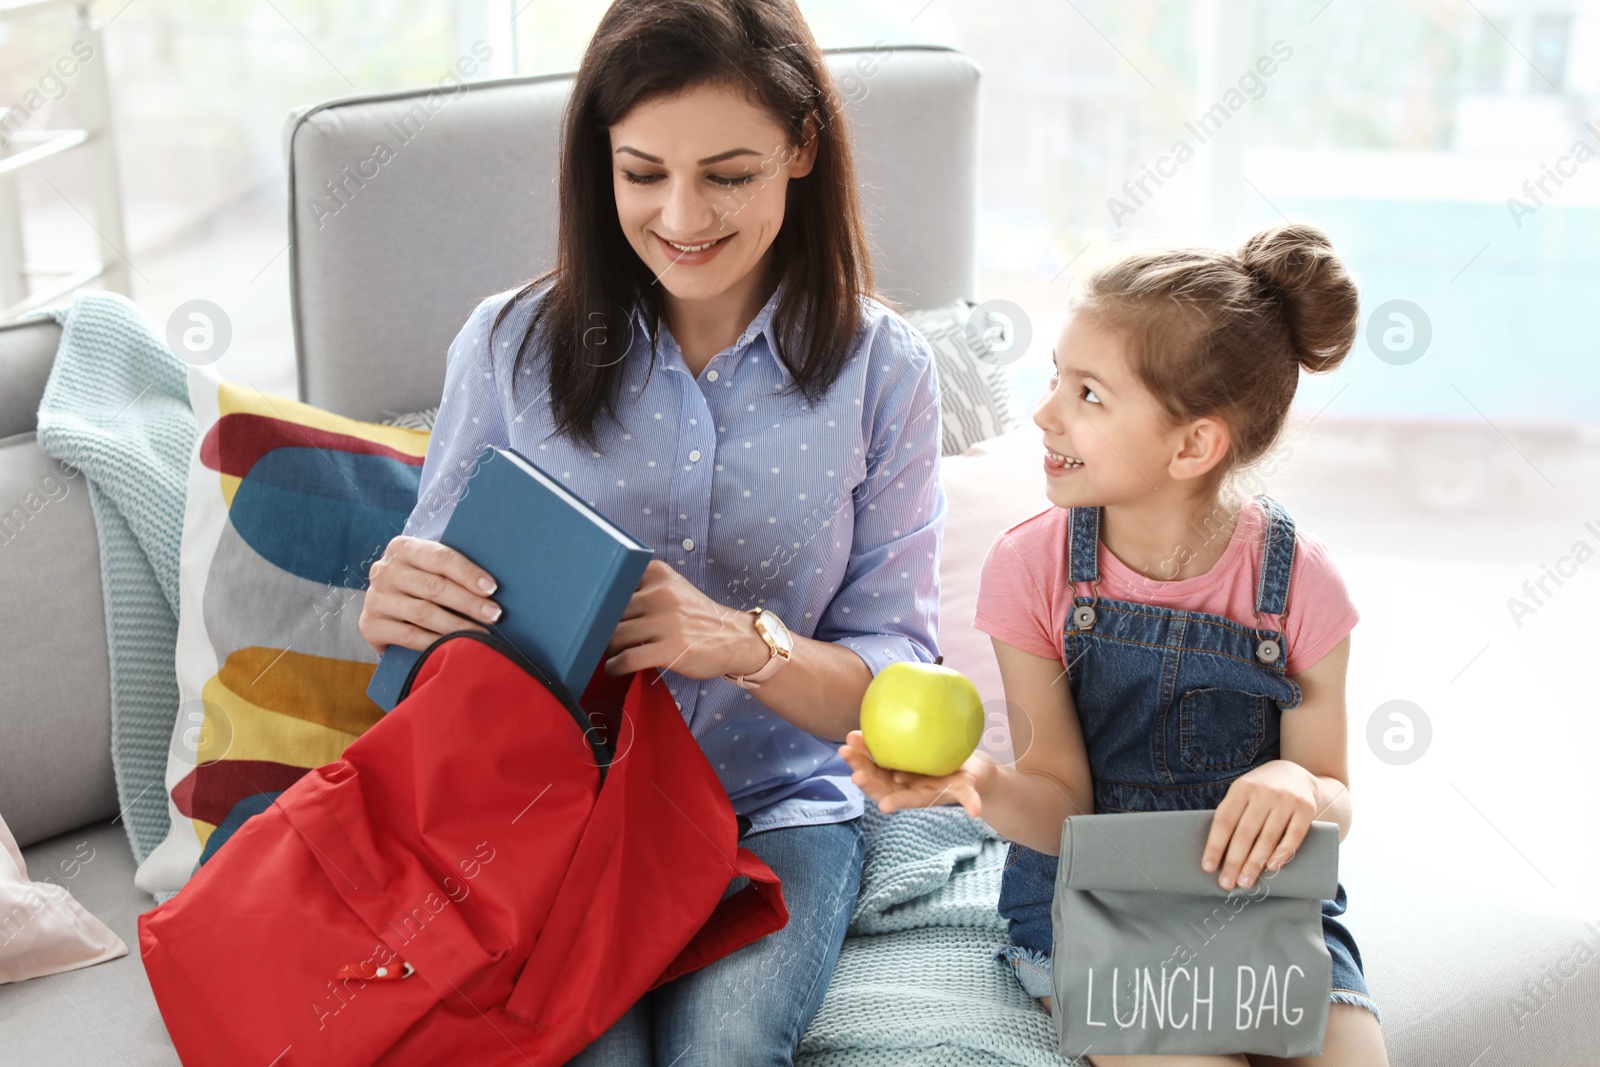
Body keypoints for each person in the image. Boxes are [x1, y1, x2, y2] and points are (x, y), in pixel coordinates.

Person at [355, 1, 946, 1062]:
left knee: (723, 1049)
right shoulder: (508, 344)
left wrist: (743, 644)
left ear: (801, 148)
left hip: (772, 810)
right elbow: (432, 650)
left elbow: (893, 682)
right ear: (601, 162)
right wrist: (397, 611)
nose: (683, 215)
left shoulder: (884, 370)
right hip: (556, 817)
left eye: (729, 173)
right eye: (642, 173)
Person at [838, 222, 1391, 1066]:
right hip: (1089, 907)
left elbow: (1336, 799)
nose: (1044, 411)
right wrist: (975, 781)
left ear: (1194, 443)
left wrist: (1299, 786)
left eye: (1088, 394)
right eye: (1057, 376)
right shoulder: (1031, 569)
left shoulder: (1302, 587)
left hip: (1264, 907)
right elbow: (1061, 803)